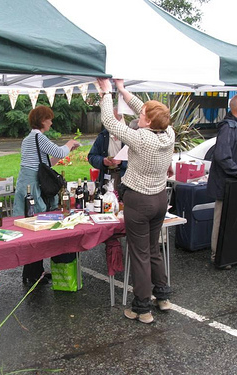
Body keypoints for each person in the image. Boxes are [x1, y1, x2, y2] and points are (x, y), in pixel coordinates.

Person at [97, 77, 174, 324]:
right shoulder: (168, 132)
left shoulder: (142, 137)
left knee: (140, 254)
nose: (139, 115)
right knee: (152, 250)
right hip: (160, 199)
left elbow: (109, 121)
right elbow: (148, 110)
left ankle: (142, 308)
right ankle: (162, 297)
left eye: (143, 115)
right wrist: (123, 90)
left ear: (149, 121)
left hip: (139, 202)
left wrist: (107, 93)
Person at [13, 105, 80, 285]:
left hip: (27, 183)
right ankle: (32, 274)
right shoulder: (38, 136)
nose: (51, 122)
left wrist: (67, 151)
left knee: (33, 228)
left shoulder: (29, 138)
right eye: (49, 119)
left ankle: (36, 272)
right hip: (32, 186)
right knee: (36, 227)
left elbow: (46, 163)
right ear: (43, 121)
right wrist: (70, 143)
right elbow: (58, 152)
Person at [207, 95, 237, 269]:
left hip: (236, 185)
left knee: (236, 220)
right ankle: (217, 256)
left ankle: (234, 255)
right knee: (221, 221)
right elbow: (222, 156)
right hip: (227, 185)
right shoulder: (228, 128)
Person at [88, 107, 128, 193]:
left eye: (116, 120)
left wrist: (122, 162)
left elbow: (139, 161)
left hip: (125, 177)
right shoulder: (103, 136)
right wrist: (103, 161)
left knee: (123, 203)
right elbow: (91, 156)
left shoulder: (130, 136)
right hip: (107, 175)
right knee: (107, 202)